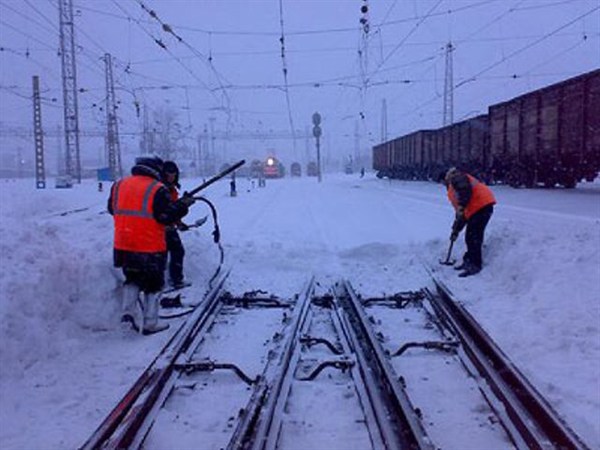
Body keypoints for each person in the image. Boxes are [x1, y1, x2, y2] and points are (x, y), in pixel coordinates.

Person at [108, 156, 194, 334]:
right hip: (150, 245)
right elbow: (166, 217)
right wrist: (183, 205)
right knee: (154, 284)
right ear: (155, 169)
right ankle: (150, 323)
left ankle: (127, 314)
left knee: (132, 278)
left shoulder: (119, 185)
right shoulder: (157, 189)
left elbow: (112, 209)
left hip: (124, 243)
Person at [444, 167, 496, 277]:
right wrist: (456, 230)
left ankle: (475, 265)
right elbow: (461, 215)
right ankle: (468, 261)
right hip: (478, 208)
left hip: (482, 206)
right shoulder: (454, 187)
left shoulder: (457, 178)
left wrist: (462, 205)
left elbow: (465, 191)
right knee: (470, 236)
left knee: (474, 236)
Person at [161, 161, 189, 289]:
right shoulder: (161, 189)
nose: (171, 176)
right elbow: (166, 210)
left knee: (178, 251)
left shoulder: (172, 189)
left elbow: (173, 210)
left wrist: (179, 223)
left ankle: (175, 279)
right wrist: (183, 205)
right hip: (160, 228)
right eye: (169, 173)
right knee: (161, 255)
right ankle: (159, 282)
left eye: (174, 173)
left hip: (169, 227)